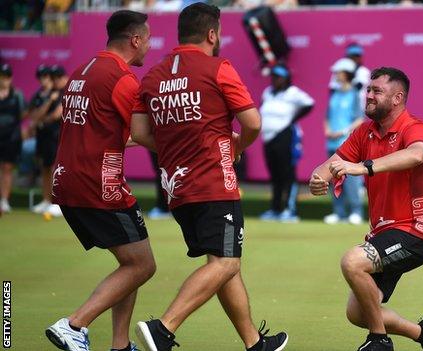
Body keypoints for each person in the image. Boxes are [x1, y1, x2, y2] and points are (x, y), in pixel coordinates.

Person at [130, 4, 288, 351]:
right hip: (215, 183)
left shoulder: (153, 75)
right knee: (227, 261)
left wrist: (180, 145)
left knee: (222, 263)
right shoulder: (219, 68)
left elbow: (139, 132)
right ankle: (163, 329)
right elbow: (253, 123)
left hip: (178, 189)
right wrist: (236, 148)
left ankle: (254, 344)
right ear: (212, 34)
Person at [309, 67, 423, 351]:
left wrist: (362, 167)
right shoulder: (364, 132)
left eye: (377, 91)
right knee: (358, 313)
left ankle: (379, 340)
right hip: (386, 232)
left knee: (352, 262)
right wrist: (318, 180)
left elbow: (416, 154)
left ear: (397, 98)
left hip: (419, 228)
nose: (369, 96)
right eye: (368, 90)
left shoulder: (414, 126)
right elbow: (326, 167)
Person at [44, 10, 156, 351]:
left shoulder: (81, 72)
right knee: (143, 264)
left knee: (130, 263)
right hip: (99, 185)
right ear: (135, 40)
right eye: (148, 40)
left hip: (67, 180)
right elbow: (148, 132)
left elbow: (109, 133)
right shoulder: (122, 79)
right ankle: (74, 324)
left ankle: (120, 345)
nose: (149, 47)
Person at [258, 64, 314, 223]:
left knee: (287, 173)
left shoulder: (293, 93)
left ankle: (290, 210)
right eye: (274, 76)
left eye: (279, 77)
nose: (275, 80)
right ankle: (275, 209)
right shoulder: (268, 92)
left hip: (285, 136)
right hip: (268, 138)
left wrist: (292, 119)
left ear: (286, 78)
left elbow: (309, 103)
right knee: (275, 175)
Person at [323, 57, 364, 225]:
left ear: (347, 74)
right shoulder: (334, 93)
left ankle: (356, 212)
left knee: (352, 179)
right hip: (332, 143)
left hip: (348, 143)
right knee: (334, 178)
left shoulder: (355, 94)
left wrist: (342, 131)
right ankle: (338, 212)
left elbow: (359, 119)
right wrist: (327, 130)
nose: (335, 75)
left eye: (338, 72)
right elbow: (327, 117)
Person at [30, 64, 67, 216]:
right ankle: (46, 200)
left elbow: (57, 115)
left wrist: (42, 120)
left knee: (55, 168)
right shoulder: (48, 93)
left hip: (58, 135)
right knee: (45, 167)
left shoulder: (66, 91)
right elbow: (34, 116)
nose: (55, 80)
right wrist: (47, 106)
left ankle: (57, 202)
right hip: (44, 135)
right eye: (53, 78)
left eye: (57, 77)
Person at [0, 63, 25, 213]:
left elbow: (23, 114)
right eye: (2, 77)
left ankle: (4, 201)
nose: (4, 80)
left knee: (7, 168)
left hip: (11, 137)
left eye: (7, 77)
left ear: (11, 78)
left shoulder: (17, 94)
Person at [329, 43, 371, 112]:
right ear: (347, 57)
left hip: (357, 109)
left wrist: (345, 84)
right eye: (352, 56)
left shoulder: (364, 71)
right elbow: (332, 90)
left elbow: (358, 86)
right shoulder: (338, 71)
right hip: (339, 109)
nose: (355, 59)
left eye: (357, 56)